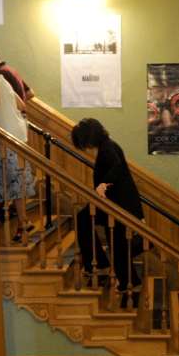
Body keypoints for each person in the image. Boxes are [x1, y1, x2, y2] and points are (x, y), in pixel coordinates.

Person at [71, 118, 145, 305]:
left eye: (83, 141)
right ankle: (113, 272)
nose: (84, 147)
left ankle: (123, 278)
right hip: (113, 203)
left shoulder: (107, 148)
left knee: (117, 245)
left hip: (117, 205)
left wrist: (105, 183)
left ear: (89, 137)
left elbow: (116, 166)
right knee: (87, 222)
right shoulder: (107, 145)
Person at [0, 49, 37, 243]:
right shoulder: (1, 79)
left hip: (4, 137)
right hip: (18, 134)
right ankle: (23, 221)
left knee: (13, 182)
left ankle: (23, 224)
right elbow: (21, 105)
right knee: (17, 179)